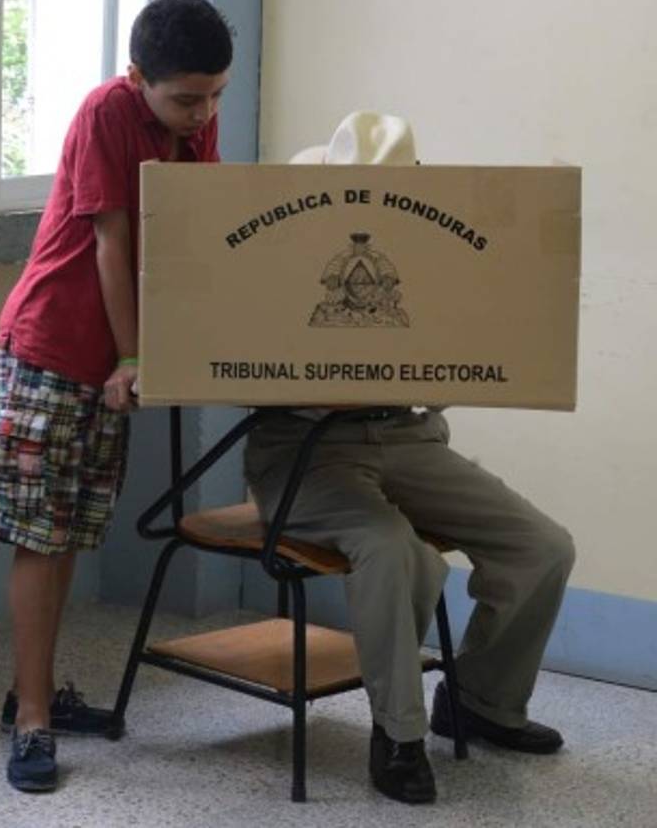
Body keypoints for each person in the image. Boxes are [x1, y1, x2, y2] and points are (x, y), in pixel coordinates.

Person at [245, 111, 576, 805]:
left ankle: (482, 701)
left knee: (541, 546)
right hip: (305, 448)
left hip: (406, 436)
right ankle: (398, 733)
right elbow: (231, 363)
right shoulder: (281, 245)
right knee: (395, 547)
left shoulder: (435, 250)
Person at [0, 0, 233, 792]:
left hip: (117, 363)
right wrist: (133, 355)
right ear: (137, 79)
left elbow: (194, 233)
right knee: (42, 535)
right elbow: (113, 241)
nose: (203, 114)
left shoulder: (195, 121)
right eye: (187, 98)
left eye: (215, 95)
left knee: (74, 530)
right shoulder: (106, 113)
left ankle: (35, 692)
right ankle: (31, 719)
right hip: (55, 348)